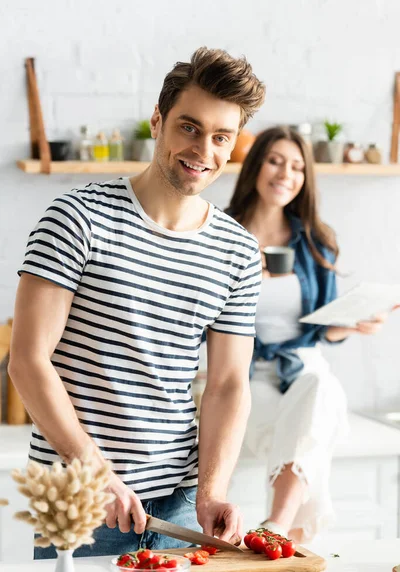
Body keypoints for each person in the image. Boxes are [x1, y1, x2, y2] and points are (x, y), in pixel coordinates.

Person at [8, 47, 266, 559]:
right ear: (158, 120)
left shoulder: (236, 250)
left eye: (221, 137)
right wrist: (95, 472)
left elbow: (228, 384)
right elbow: (28, 361)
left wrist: (212, 490)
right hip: (79, 498)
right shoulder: (77, 219)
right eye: (189, 128)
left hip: (180, 504)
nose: (203, 151)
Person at [226, 126, 392, 543]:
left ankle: (276, 524)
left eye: (298, 166)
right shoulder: (221, 234)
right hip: (244, 374)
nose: (286, 174)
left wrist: (349, 325)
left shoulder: (316, 240)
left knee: (320, 387)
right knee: (315, 416)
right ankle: (286, 538)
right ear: (255, 166)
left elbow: (321, 330)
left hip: (303, 367)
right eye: (276, 161)